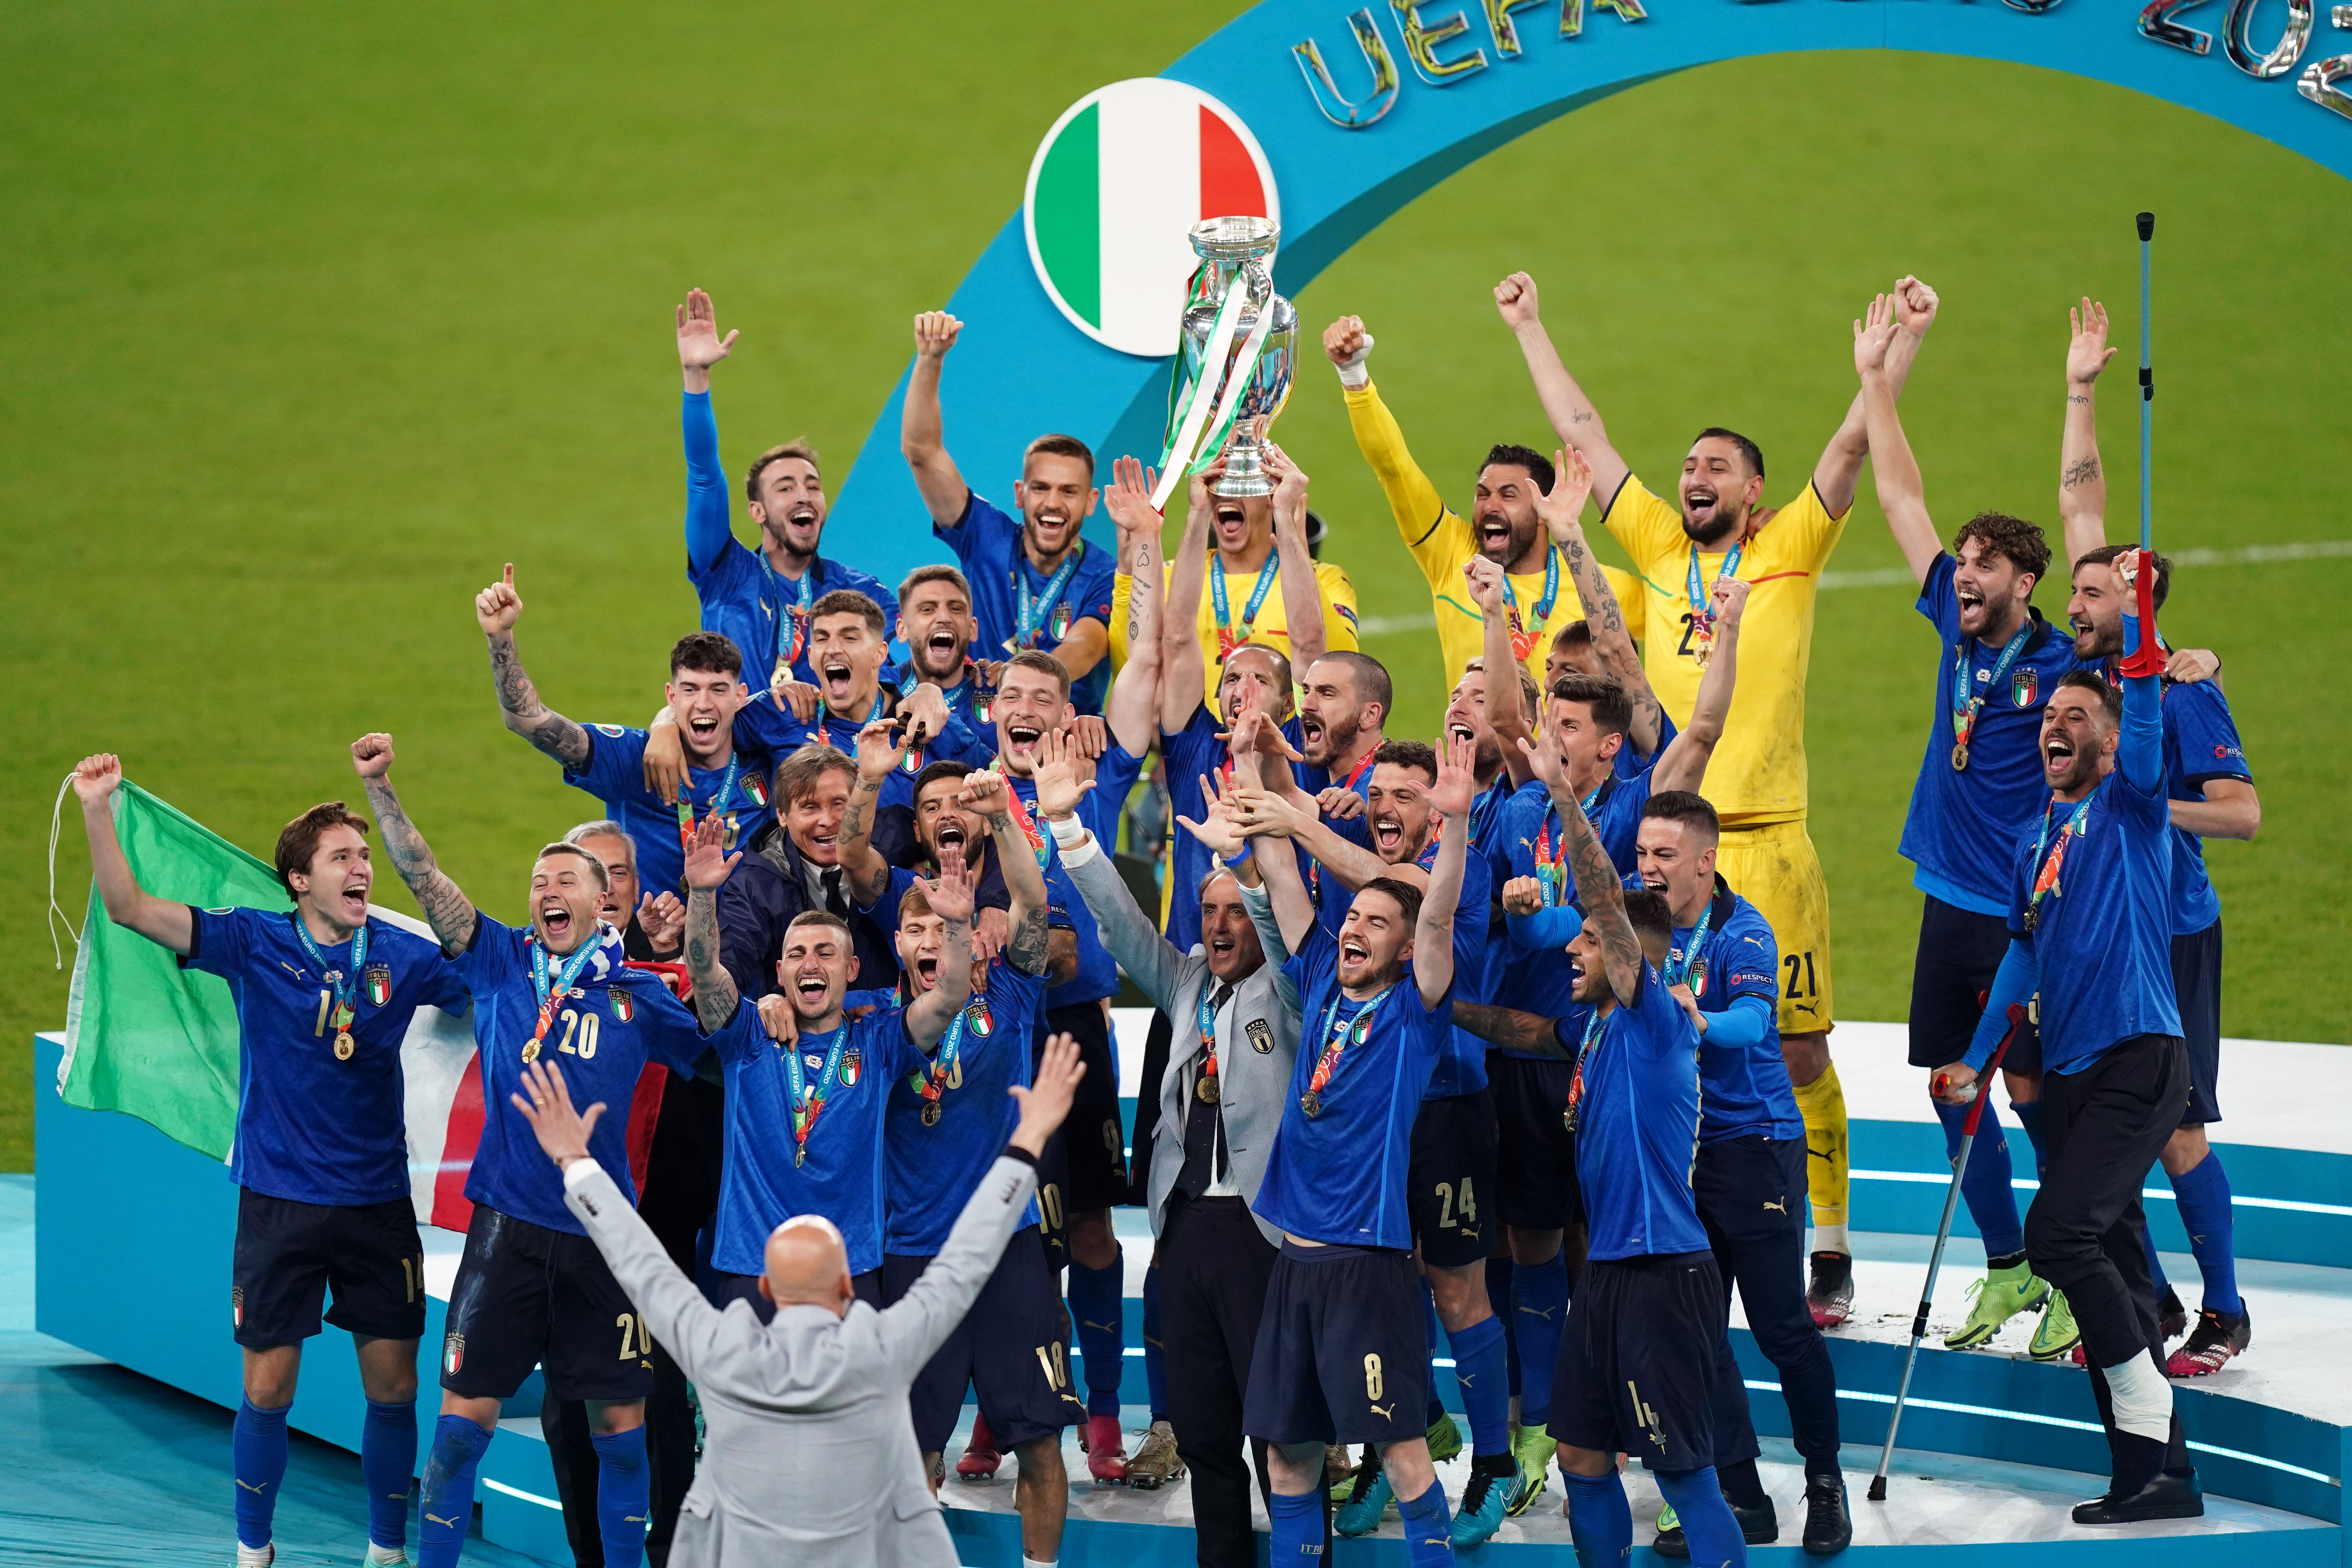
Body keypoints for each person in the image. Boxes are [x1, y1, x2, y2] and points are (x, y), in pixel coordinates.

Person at [1501, 269, 1944, 1328]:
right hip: (1664, 844)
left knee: (1793, 1048)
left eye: (1718, 468)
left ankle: (1826, 1246)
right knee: (1653, 1031)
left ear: (1754, 493)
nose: (1694, 476)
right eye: (1688, 465)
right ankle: (1686, 1220)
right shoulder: (1655, 546)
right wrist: (1529, 323)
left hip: (1769, 843)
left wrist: (1892, 360)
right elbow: (1585, 432)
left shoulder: (1791, 546)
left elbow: (1846, 456)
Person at [71, 753, 462, 1568]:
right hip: (278, 1202)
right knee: (266, 1392)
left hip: (377, 1204)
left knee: (393, 1391)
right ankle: (254, 1550)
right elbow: (129, 906)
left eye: (363, 855)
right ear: (298, 881)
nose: (362, 868)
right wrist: (97, 810)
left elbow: (484, 977)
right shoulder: (250, 939)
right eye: (343, 857)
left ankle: (387, 1550)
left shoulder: (402, 955)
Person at [506, 1030, 1089, 1568]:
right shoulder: (881, 1348)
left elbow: (641, 1263)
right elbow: (968, 1257)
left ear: (764, 1286)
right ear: (847, 1288)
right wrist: (1028, 1138)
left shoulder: (720, 1349)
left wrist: (575, 1164)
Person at [350, 734, 716, 1568]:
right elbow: (426, 880)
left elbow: (718, 1040)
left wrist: (702, 913)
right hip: (507, 1235)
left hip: (605, 1238)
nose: (547, 889)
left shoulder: (641, 996)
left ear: (602, 905)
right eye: (539, 880)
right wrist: (381, 790)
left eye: (566, 880)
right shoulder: (500, 960)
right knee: (455, 1436)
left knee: (622, 1436)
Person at [1937, 550, 2202, 1524]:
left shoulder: (2130, 808)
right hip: (2079, 1071)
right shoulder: (2033, 840)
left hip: (2141, 1059)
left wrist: (2136, 622)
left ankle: (2151, 1432)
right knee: (2120, 1270)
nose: (2056, 725)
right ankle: (2154, 1471)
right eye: (2049, 717)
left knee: (2059, 1232)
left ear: (2109, 740)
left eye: (2074, 718)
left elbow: (2140, 725)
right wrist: (1977, 1055)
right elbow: (2022, 959)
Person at [1486, 575, 1749, 1514]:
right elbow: (1525, 956)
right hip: (1542, 1055)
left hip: (1625, 1120)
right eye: (1543, 719)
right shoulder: (1517, 813)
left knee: (1601, 1231)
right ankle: (1541, 1424)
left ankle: (1689, 1464)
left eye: (1566, 723)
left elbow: (1700, 728)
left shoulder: (1640, 821)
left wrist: (1723, 630)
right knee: (1532, 1246)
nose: (1546, 734)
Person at [1855, 300, 2083, 1363]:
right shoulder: (1953, 621)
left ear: (2025, 582)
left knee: (2040, 1098)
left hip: (2024, 918)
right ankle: (2008, 1268)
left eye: (1987, 561)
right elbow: (1899, 492)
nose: (1968, 570)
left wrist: (2180, 663)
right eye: (1965, 557)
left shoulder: (2058, 670)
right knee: (1953, 1089)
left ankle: (2084, 1270)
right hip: (1948, 903)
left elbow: (2103, 561)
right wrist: (1878, 376)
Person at [1230, 739, 1513, 1548]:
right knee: (1289, 1458)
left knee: (1403, 1454)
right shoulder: (1322, 971)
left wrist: (1454, 826)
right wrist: (1251, 775)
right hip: (1296, 1260)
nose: (1356, 927)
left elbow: (1438, 917)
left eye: (1376, 922)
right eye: (1354, 915)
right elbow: (1283, 875)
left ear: (1404, 946)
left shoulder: (1413, 1011)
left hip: (1365, 1263)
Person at [1044, 726, 1306, 1568]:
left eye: (1237, 912)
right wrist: (1071, 833)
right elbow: (1121, 928)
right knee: (1207, 1441)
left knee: (1284, 1441)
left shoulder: (1296, 988)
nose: (1222, 924)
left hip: (1267, 1234)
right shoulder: (1190, 982)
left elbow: (1283, 925)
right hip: (1187, 1231)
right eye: (1212, 911)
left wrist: (1257, 868)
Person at [2058, 307, 2260, 1377]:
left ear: (2134, 605)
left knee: (2173, 1132)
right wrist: (2084, 388)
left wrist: (2139, 811)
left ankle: (2224, 1313)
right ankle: (2141, 1304)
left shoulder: (2181, 692)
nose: (2074, 597)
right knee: (2105, 1130)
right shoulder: (2083, 677)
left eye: (2094, 591)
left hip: (2171, 932)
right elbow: (2079, 501)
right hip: (2095, 937)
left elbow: (2244, 813)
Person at [1634, 791, 1848, 1556]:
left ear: (1705, 859)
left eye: (1665, 854)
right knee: (1699, 1330)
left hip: (1753, 1147)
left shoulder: (1742, 931)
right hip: (1683, 1152)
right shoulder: (1642, 924)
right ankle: (1744, 1493)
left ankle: (1826, 1483)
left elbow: (1757, 1022)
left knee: (1781, 1326)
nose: (1650, 867)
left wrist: (1702, 1019)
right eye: (1643, 851)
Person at [543, 821, 708, 1568]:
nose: (606, 891)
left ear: (639, 892)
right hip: (565, 1229)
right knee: (567, 1411)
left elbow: (711, 1053)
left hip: (661, 1223)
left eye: (620, 877)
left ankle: (672, 1549)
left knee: (665, 1396)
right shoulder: (536, 977)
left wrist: (672, 956)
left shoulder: (657, 983)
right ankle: (591, 1558)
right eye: (590, 876)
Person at [1320, 312, 1639, 695]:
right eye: (1483, 494)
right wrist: (1354, 376)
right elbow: (1394, 468)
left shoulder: (1603, 588)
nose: (1490, 506)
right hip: (1472, 754)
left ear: (1544, 510)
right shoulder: (1454, 558)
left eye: (1509, 495)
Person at [476, 564, 775, 900]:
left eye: (718, 690)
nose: (703, 704)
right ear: (672, 697)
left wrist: (664, 723)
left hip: (745, 947)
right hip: (648, 947)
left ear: (740, 697)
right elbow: (528, 721)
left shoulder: (768, 760)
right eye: (690, 690)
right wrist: (500, 637)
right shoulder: (634, 758)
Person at [676, 287, 897, 699]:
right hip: (739, 758)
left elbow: (906, 665)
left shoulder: (862, 594)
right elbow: (704, 477)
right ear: (757, 511)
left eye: (813, 486)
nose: (804, 496)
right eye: (786, 488)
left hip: (825, 758)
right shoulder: (726, 575)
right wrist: (696, 379)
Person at [902, 309, 1117, 713]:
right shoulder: (986, 537)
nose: (1053, 503)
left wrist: (1019, 680)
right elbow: (922, 453)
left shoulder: (1105, 576)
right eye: (1041, 488)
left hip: (1064, 745)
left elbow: (1086, 646)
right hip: (979, 729)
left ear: (1090, 502)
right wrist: (930, 360)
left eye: (1069, 491)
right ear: (1020, 494)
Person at [1110, 446, 1359, 707]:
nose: (1226, 492)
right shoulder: (1172, 577)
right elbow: (1128, 667)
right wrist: (1129, 573)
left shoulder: (1328, 578)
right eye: (1218, 481)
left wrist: (1300, 566)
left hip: (1284, 741)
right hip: (1195, 743)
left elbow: (1340, 666)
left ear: (1270, 497)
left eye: (1241, 482)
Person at [896, 563, 996, 733]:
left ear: (973, 629)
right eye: (927, 610)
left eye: (956, 609)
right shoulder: (878, 691)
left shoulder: (1001, 694)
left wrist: (1016, 679)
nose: (944, 618)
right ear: (902, 630)